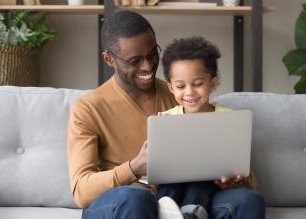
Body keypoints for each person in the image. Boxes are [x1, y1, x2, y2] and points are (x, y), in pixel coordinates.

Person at [67, 10, 264, 219]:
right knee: (137, 199)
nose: (148, 66)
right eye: (135, 60)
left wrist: (237, 180)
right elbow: (81, 191)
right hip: (126, 201)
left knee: (249, 200)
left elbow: (234, 164)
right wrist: (134, 167)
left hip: (185, 201)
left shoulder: (182, 96)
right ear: (109, 59)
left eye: (153, 54)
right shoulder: (88, 108)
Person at [154, 36, 265, 219]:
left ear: (213, 83)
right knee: (177, 174)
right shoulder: (165, 120)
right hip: (173, 192)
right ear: (171, 88)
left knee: (205, 167)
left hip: (214, 189)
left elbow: (246, 174)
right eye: (181, 86)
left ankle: (191, 213)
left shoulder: (229, 119)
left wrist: (235, 180)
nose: (189, 92)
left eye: (198, 84)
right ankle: (172, 213)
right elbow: (157, 174)